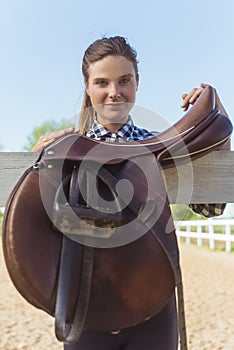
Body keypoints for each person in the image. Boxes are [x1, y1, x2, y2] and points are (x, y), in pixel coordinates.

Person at [32, 36, 229, 350]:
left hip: (153, 296)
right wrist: (52, 154)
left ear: (137, 83)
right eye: (102, 82)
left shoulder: (163, 147)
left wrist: (217, 127)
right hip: (87, 300)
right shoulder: (66, 147)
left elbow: (211, 207)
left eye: (125, 80)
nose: (114, 92)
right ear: (87, 87)